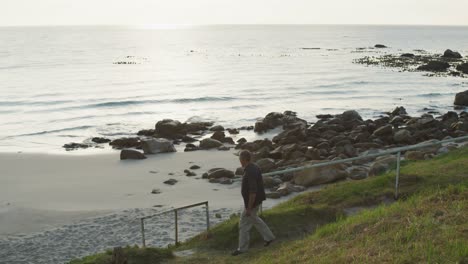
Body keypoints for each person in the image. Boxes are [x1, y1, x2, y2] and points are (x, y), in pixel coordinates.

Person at [232, 150, 275, 256]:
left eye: (240, 159)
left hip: (252, 203)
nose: (239, 161)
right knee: (255, 219)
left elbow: (253, 191)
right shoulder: (255, 167)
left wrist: (249, 208)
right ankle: (269, 238)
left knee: (243, 225)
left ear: (243, 160)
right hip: (258, 200)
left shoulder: (249, 171)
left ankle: (242, 249)